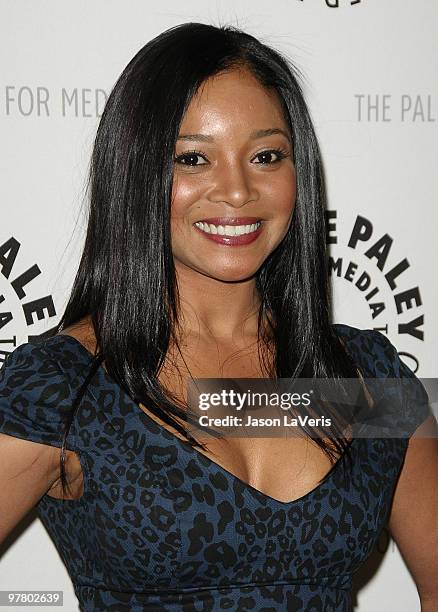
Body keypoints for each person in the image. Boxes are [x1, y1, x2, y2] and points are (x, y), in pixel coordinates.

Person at [0, 21, 437, 612]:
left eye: (265, 155)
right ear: (135, 172)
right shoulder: (63, 386)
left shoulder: (364, 374)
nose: (236, 191)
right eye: (194, 158)